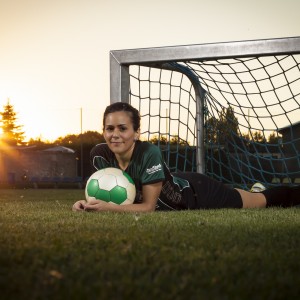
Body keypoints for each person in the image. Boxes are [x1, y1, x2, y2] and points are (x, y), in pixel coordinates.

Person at [72, 102, 300, 212]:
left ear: (136, 132)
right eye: (109, 129)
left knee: (259, 203)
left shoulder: (149, 153)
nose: (115, 135)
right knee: (249, 195)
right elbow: (106, 195)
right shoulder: (99, 155)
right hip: (174, 180)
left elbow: (149, 207)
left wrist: (106, 208)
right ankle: (255, 189)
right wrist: (84, 204)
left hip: (197, 193)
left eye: (123, 128)